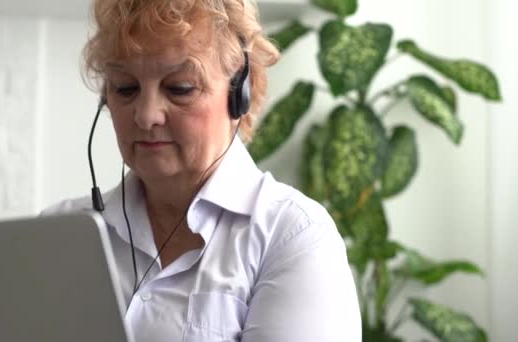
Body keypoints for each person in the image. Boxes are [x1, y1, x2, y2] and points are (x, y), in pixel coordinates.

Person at [42, 0, 361, 340]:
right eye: (125, 88)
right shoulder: (56, 233)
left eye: (180, 88)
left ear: (239, 92)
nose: (146, 115)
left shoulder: (291, 236)